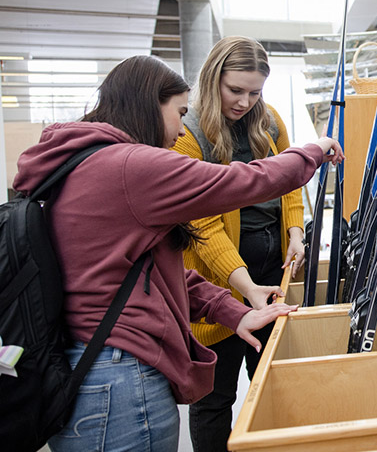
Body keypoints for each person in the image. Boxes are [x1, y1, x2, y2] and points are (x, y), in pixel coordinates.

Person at [12, 55, 344, 452]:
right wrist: (314, 150)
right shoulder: (129, 166)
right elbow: (242, 181)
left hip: (89, 369)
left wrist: (232, 311)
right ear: (151, 104)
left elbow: (148, 272)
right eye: (179, 112)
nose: (179, 129)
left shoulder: (79, 162)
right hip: (121, 377)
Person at [170, 36, 318, 451]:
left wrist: (295, 231)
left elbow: (291, 177)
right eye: (235, 90)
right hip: (217, 286)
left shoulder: (267, 119)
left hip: (272, 275)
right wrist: (244, 288)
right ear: (213, 78)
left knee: (271, 381)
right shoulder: (189, 133)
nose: (244, 101)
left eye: (255, 92)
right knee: (215, 400)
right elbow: (203, 225)